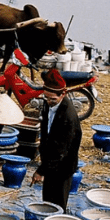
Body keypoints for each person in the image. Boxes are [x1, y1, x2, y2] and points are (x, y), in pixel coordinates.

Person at [31, 69, 83, 211]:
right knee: (47, 200)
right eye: (46, 98)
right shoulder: (49, 105)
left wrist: (41, 171)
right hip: (51, 162)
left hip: (63, 166)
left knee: (57, 204)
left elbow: (59, 151)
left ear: (63, 94)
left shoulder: (68, 116)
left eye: (52, 99)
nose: (48, 102)